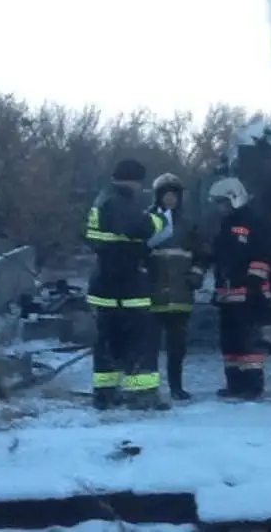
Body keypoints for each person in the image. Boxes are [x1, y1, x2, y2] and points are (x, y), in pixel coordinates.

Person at [84, 158, 174, 411]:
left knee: (108, 343)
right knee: (142, 340)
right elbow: (142, 228)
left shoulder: (102, 199)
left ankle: (105, 392)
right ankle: (142, 394)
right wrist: (159, 219)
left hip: (105, 284)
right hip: (127, 286)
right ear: (134, 181)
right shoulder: (119, 201)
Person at [207, 176, 271, 399]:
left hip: (249, 294)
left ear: (234, 198)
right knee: (230, 341)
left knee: (249, 342)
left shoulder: (253, 221)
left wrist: (254, 281)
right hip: (227, 295)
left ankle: (252, 385)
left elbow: (262, 254)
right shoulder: (225, 225)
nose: (219, 207)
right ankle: (234, 383)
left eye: (222, 202)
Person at [145, 173, 206, 402]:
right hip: (153, 294)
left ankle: (176, 387)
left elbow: (202, 256)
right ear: (158, 196)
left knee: (177, 346)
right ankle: (149, 388)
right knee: (149, 344)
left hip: (181, 293)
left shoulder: (189, 224)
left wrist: (196, 276)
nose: (170, 199)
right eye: (166, 195)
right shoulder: (147, 221)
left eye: (174, 195)